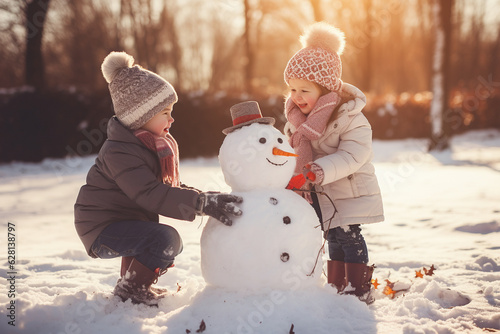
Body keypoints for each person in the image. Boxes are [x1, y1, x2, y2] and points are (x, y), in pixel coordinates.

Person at [74, 51, 242, 307]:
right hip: (101, 229)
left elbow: (169, 188)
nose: (171, 119)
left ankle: (130, 285)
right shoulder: (119, 151)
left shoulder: (148, 146)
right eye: (165, 112)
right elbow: (150, 193)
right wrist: (198, 204)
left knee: (152, 235)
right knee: (164, 239)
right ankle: (132, 290)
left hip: (120, 222)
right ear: (140, 116)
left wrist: (205, 199)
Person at [283, 22, 384, 303]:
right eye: (292, 90)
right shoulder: (296, 122)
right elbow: (290, 153)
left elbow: (354, 155)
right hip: (321, 194)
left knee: (349, 237)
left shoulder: (350, 117)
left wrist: (320, 170)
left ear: (327, 90)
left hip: (349, 190)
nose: (297, 97)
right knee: (333, 239)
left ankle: (359, 289)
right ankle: (337, 286)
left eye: (304, 90)